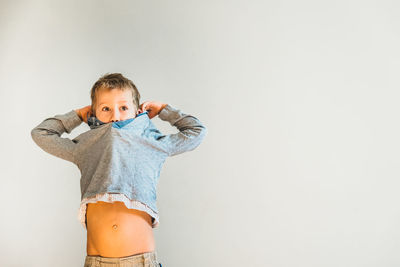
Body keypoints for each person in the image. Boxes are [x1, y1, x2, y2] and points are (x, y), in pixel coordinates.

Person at [31, 73, 207, 267]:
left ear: (137, 111)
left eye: (123, 108)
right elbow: (41, 134)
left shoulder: (150, 142)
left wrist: (165, 110)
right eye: (105, 108)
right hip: (95, 262)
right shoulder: (86, 145)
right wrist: (77, 115)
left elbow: (196, 132)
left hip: (139, 262)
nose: (115, 116)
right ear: (94, 113)